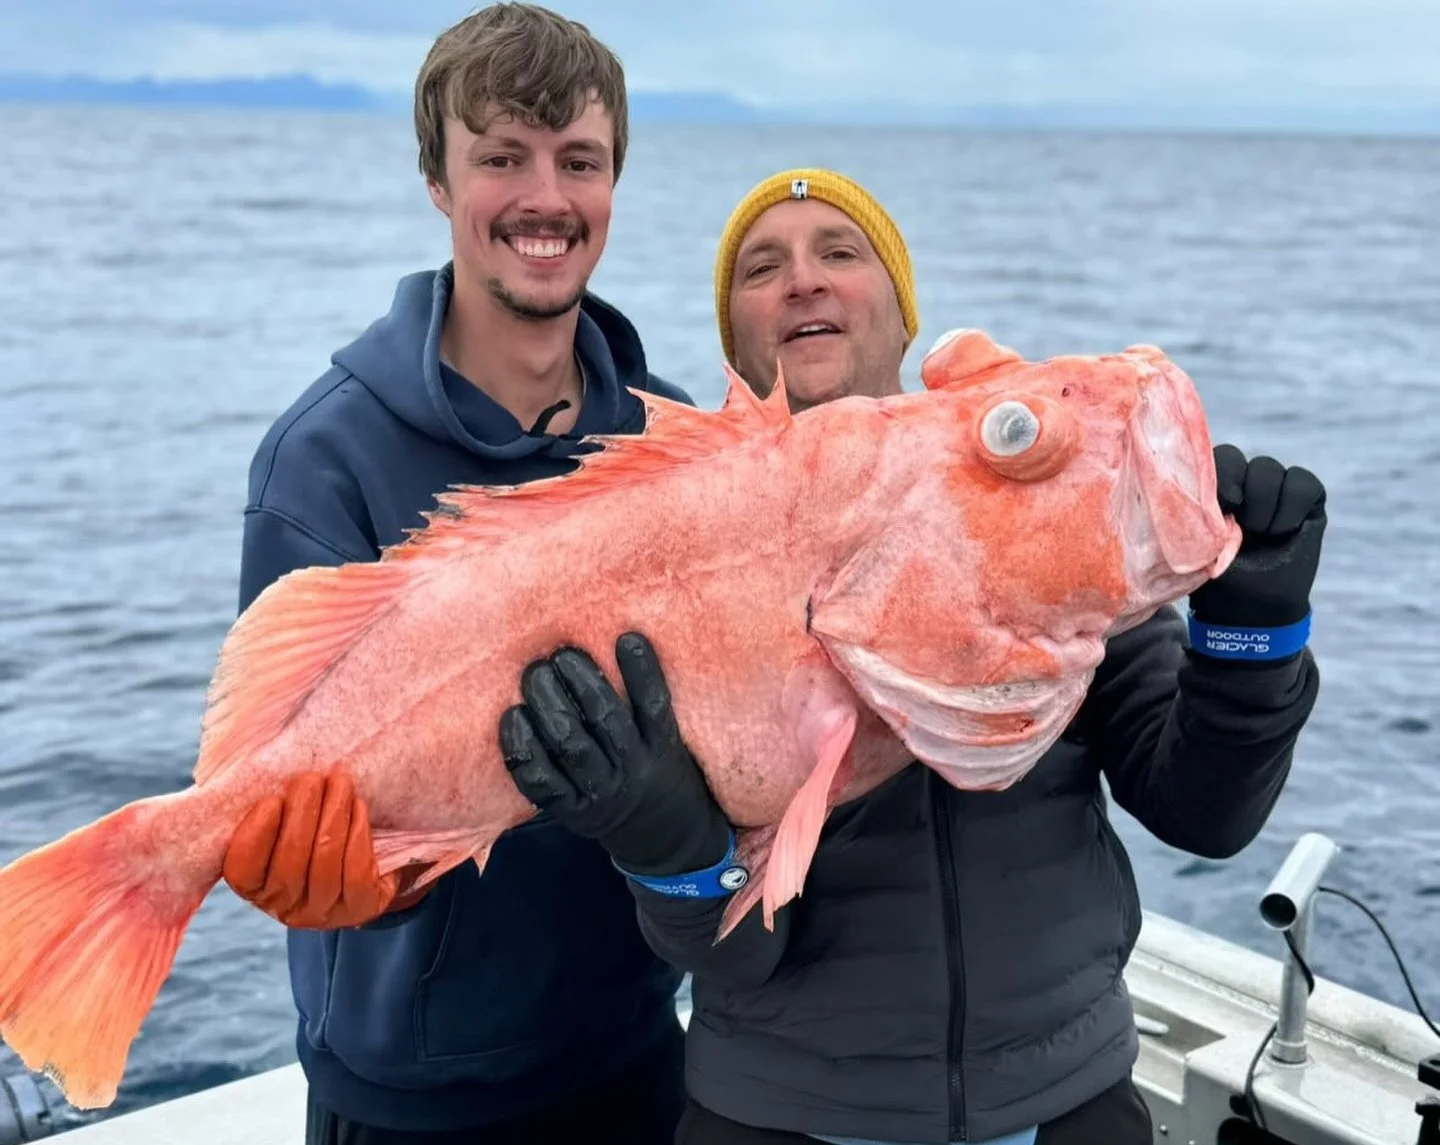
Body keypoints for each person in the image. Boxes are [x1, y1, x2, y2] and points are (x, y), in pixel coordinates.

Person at [499, 168, 1327, 1145]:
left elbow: (1206, 809)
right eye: (762, 268)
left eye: (841, 253)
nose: (804, 279)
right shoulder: (676, 563)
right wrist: (672, 848)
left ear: (903, 321)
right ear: (738, 345)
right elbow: (730, 961)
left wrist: (1249, 635)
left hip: (1067, 1101)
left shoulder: (1037, 511)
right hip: (782, 1116)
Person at [220, 5, 695, 1143]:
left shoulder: (675, 440)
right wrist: (350, 874)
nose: (545, 198)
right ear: (438, 180)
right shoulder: (324, 458)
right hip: (412, 1099)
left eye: (578, 160)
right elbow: (275, 806)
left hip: (638, 1049)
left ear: (614, 182)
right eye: (501, 157)